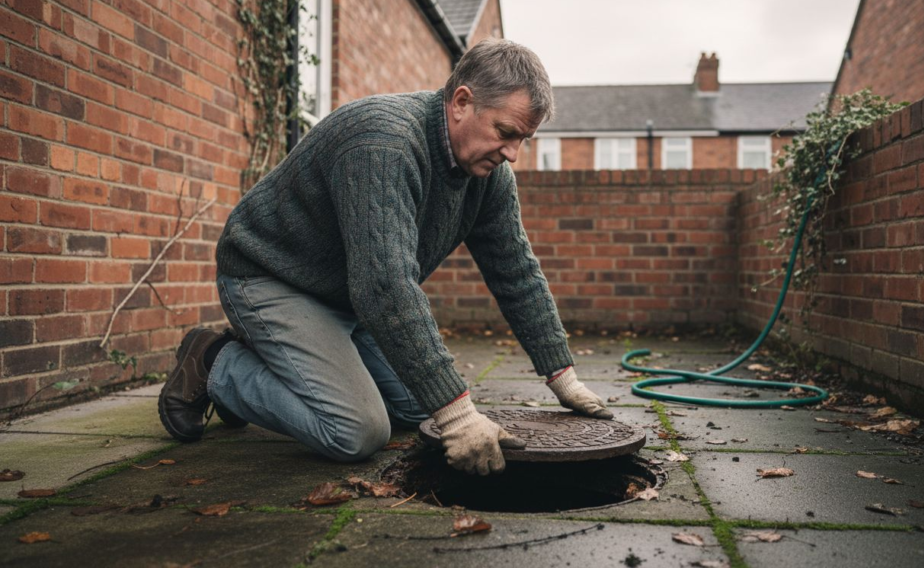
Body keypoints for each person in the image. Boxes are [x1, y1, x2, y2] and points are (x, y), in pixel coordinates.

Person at [158, 39, 612, 476]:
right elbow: (385, 286)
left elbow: (516, 272)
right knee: (357, 431)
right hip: (271, 276)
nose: (512, 154)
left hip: (344, 294)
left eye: (524, 141)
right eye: (506, 133)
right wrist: (458, 415)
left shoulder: (488, 175)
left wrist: (562, 375)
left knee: (419, 408)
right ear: (460, 102)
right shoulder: (384, 142)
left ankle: (275, 357)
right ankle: (217, 361)